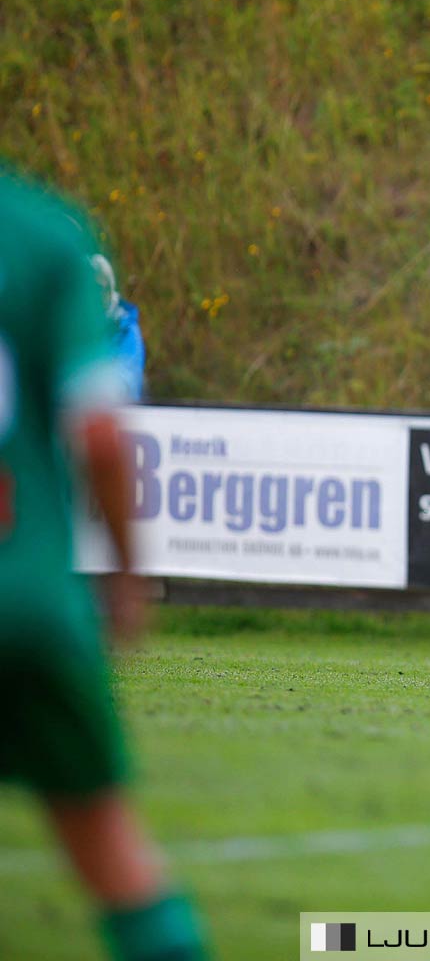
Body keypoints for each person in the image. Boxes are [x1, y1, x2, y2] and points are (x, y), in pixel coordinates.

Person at [0, 166, 210, 960]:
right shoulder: (45, 232)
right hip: (26, 599)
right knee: (113, 852)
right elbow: (97, 433)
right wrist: (128, 575)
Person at [91, 254, 147, 401]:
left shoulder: (126, 330)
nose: (95, 296)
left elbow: (127, 385)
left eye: (100, 289)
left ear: (110, 290)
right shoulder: (68, 329)